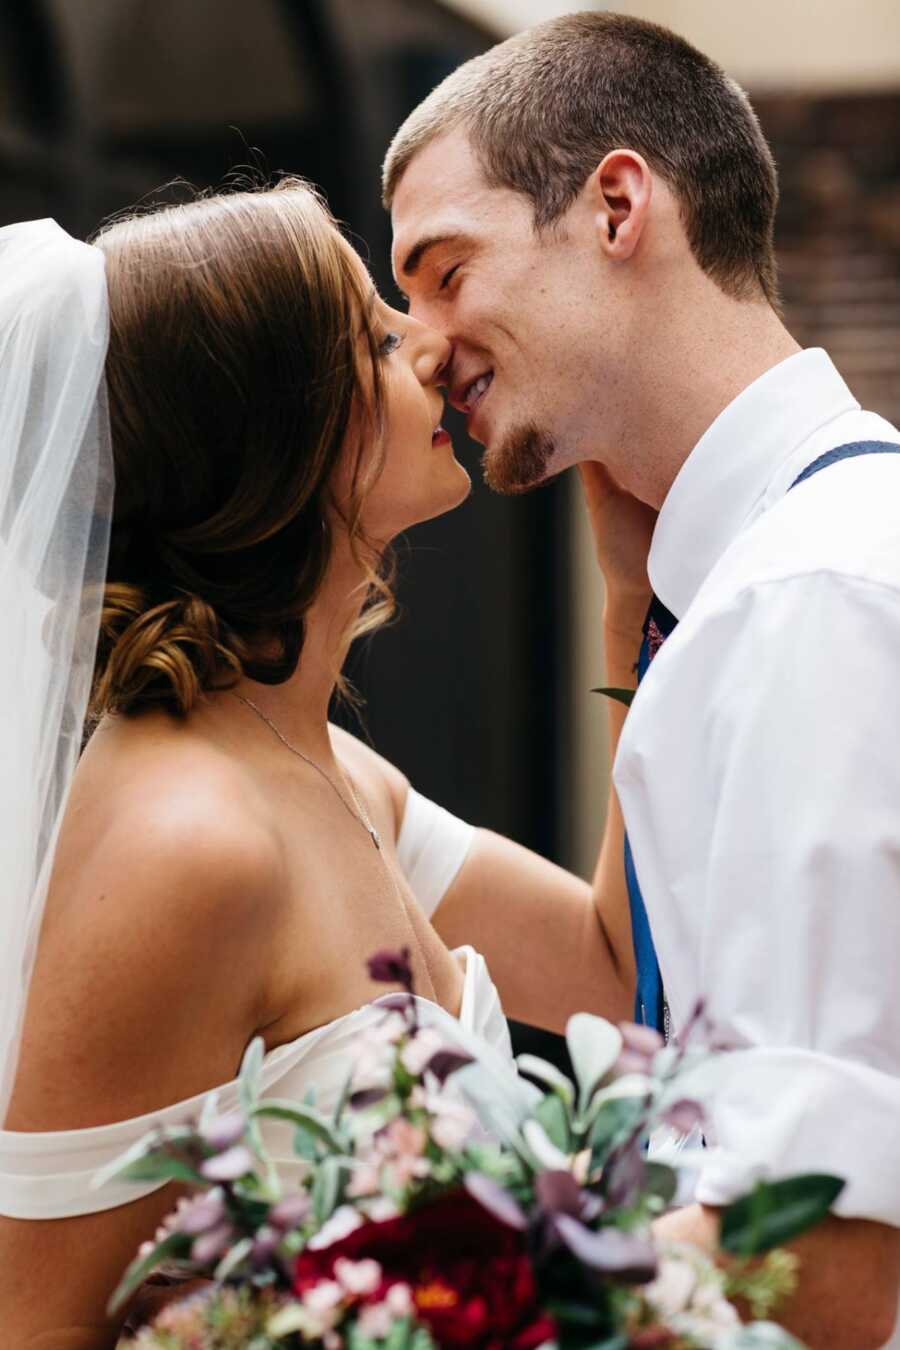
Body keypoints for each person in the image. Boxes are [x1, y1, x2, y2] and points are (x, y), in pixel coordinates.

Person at [0, 184, 638, 1346]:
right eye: (376, 338)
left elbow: (613, 965)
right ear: (276, 436)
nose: (431, 345)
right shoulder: (188, 841)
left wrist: (630, 599)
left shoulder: (337, 772)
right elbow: (35, 1325)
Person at [383, 11, 900, 1349]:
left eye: (446, 269)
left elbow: (823, 1254)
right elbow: (640, 980)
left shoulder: (811, 598)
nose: (428, 347)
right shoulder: (766, 575)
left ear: (617, 204)